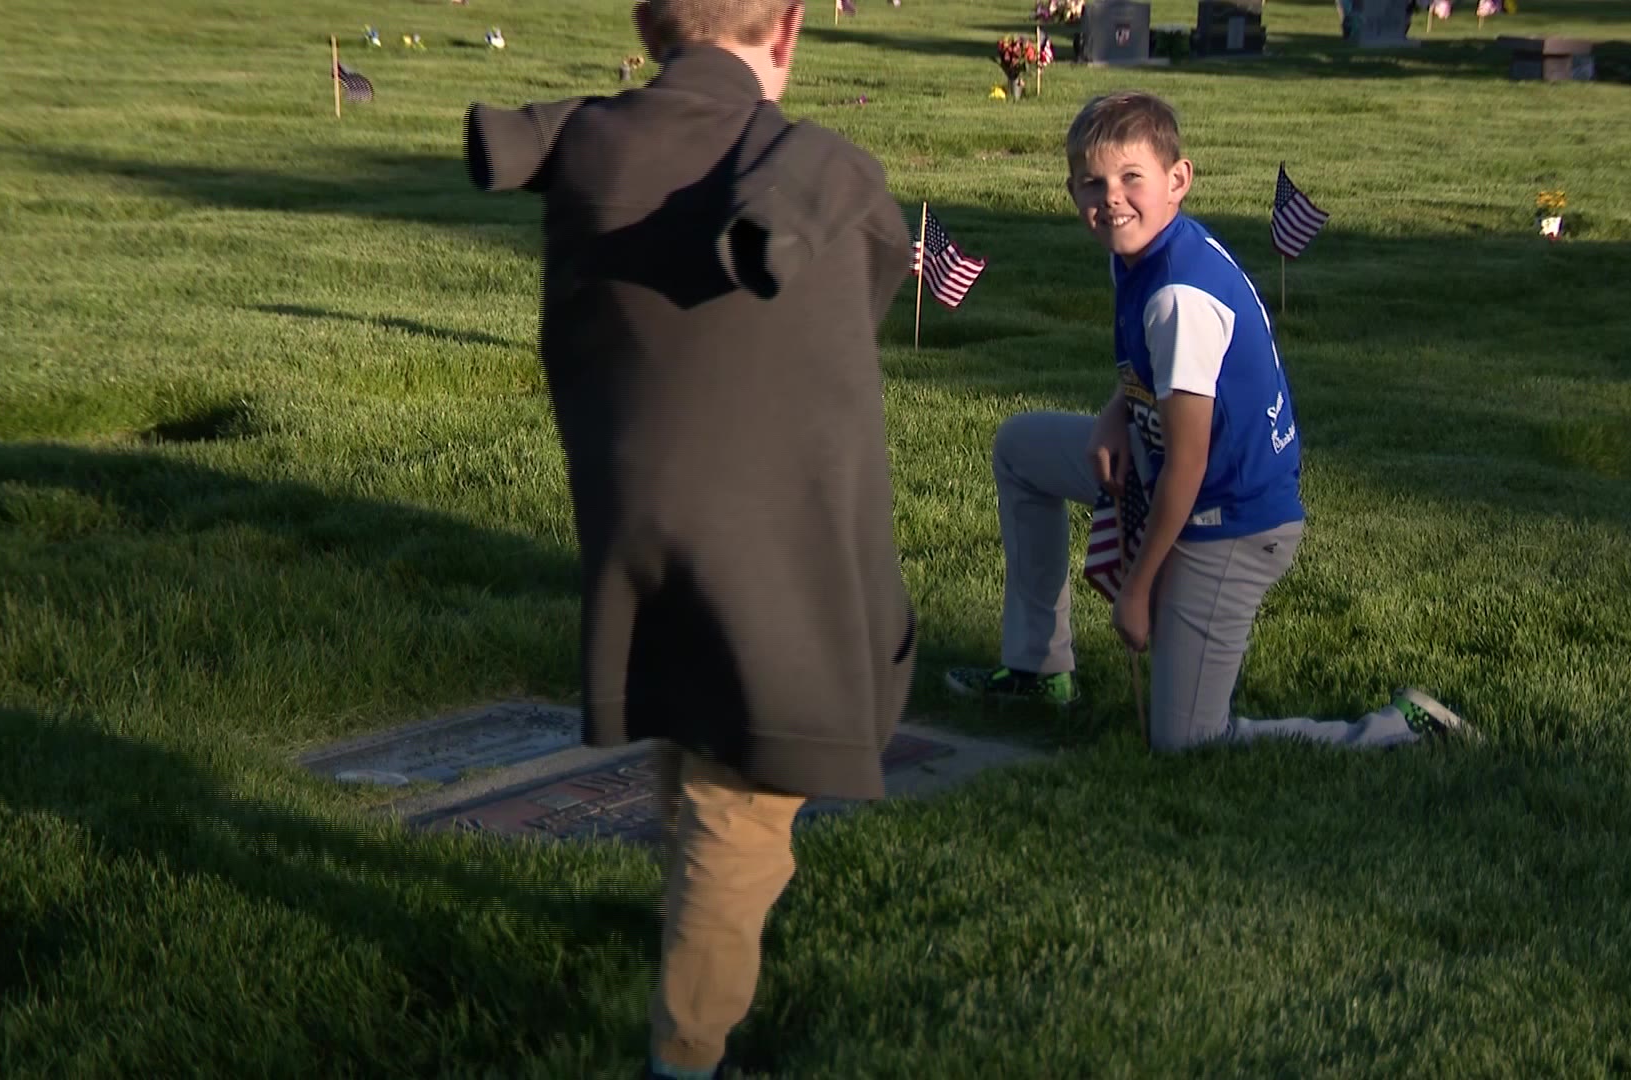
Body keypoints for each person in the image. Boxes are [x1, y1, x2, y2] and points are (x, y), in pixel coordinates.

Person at [463, 3, 917, 1077]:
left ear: (647, 21)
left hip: (634, 517)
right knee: (741, 804)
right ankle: (688, 1054)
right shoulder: (823, 169)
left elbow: (539, 143)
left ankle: (686, 932)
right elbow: (868, 275)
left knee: (689, 721)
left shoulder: (592, 141)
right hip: (762, 547)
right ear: (792, 27)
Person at [944, 90, 1475, 751]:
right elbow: (1160, 381)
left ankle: (1402, 730)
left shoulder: (1177, 296)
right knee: (1021, 448)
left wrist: (1136, 590)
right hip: (1166, 461)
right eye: (1092, 183)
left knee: (1187, 740)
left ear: (1178, 180)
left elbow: (1190, 465)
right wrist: (1116, 411)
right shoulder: (1138, 248)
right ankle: (1036, 669)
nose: (1111, 198)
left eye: (1131, 178)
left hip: (1231, 517)